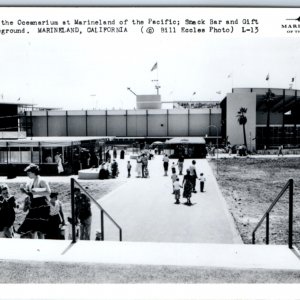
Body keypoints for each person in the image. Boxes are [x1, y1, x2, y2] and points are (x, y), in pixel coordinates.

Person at [17, 164, 51, 239]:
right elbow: (31, 194)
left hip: (42, 206)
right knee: (31, 228)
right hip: (34, 206)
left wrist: (36, 192)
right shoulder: (31, 181)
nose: (27, 174)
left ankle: (40, 245)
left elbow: (48, 192)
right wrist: (24, 191)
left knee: (40, 229)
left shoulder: (42, 180)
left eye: (29, 173)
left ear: (33, 172)